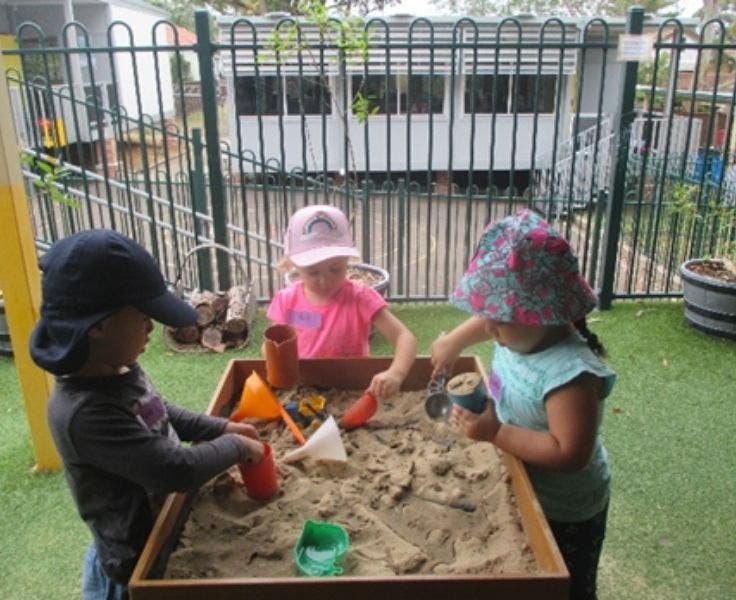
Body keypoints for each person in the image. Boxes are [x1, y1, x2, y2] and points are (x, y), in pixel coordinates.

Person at [29, 229, 266, 600]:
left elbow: (160, 411)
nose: (151, 327)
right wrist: (235, 446)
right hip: (131, 561)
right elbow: (175, 470)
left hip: (160, 524)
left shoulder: (117, 366)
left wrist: (219, 425)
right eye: (142, 316)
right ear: (99, 327)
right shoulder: (85, 414)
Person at [430, 209, 615, 600]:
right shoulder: (518, 331)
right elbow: (489, 322)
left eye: (499, 317)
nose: (488, 326)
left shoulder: (570, 376)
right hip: (524, 474)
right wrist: (453, 343)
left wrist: (495, 432)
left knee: (566, 584)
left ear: (543, 315)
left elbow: (569, 453)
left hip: (565, 508)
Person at [267, 204, 416, 400]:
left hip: (352, 388)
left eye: (335, 269)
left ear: (348, 260)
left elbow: (405, 337)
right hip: (302, 388)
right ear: (292, 264)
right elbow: (272, 346)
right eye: (312, 272)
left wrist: (396, 373)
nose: (324, 280)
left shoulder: (360, 298)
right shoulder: (287, 301)